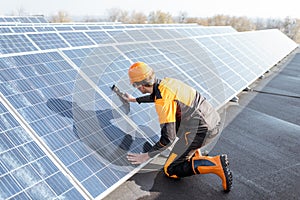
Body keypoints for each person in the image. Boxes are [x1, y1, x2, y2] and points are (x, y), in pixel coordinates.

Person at [125, 61, 232, 192]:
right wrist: (135, 100)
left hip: (203, 131)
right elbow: (155, 95)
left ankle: (216, 164)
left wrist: (147, 155)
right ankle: (193, 154)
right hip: (211, 119)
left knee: (170, 169)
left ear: (139, 86)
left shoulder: (163, 101)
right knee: (178, 127)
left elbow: (168, 139)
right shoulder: (166, 83)